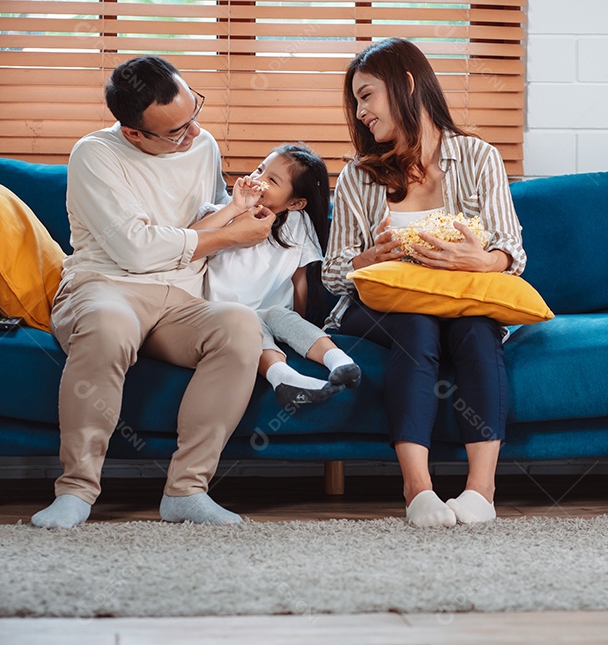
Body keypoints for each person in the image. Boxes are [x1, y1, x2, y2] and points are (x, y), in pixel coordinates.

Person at [32, 55, 274, 529]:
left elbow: (201, 223)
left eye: (194, 115)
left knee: (242, 326)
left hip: (179, 299)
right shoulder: (94, 154)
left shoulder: (203, 145)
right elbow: (136, 251)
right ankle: (77, 491)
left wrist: (240, 216)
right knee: (109, 324)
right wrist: (227, 236)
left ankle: (187, 491)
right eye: (175, 131)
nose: (192, 133)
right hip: (104, 286)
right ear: (133, 133)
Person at [323, 38, 527, 528]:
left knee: (477, 329)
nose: (360, 111)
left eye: (367, 95)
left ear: (406, 85)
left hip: (461, 297)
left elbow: (512, 253)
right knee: (415, 325)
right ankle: (418, 489)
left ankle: (482, 490)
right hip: (382, 302)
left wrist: (481, 260)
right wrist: (366, 258)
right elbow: (332, 273)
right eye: (356, 100)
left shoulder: (478, 157)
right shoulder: (359, 175)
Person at [193, 143, 361, 407]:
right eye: (260, 169)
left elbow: (300, 279)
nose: (258, 180)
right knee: (251, 327)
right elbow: (191, 240)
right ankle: (282, 377)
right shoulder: (223, 213)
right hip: (227, 317)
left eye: (271, 180)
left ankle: (340, 362)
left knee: (285, 319)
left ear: (295, 203)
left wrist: (301, 321)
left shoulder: (297, 224)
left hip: (273, 310)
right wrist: (235, 209)